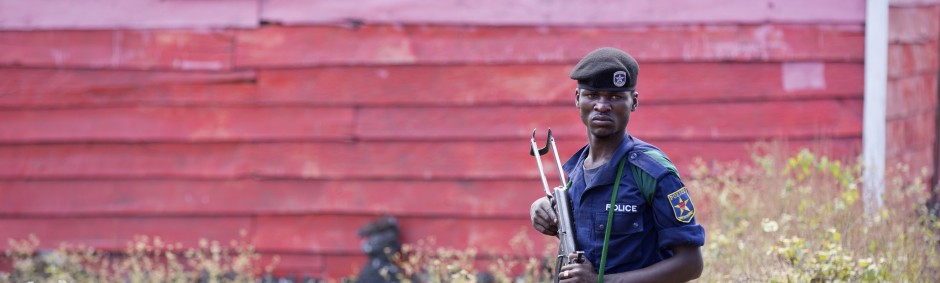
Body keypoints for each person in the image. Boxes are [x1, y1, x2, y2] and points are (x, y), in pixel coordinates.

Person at [529, 47, 705, 282]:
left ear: (633, 102)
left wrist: (601, 281)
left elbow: (690, 264)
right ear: (577, 99)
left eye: (614, 97)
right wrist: (541, 207)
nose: (602, 106)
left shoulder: (653, 173)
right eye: (592, 95)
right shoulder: (576, 172)